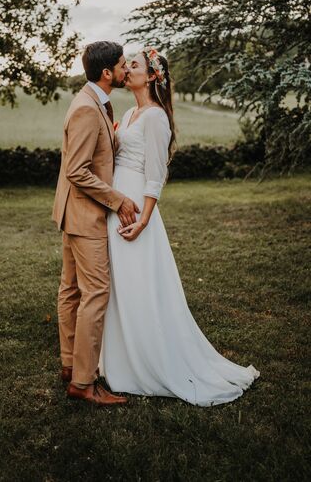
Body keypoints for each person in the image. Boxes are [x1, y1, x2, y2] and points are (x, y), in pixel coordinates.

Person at [99, 48, 260, 406]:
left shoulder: (155, 118)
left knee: (141, 286)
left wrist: (143, 220)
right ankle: (121, 361)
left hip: (137, 211)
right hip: (116, 205)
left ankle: (151, 362)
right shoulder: (127, 114)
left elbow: (157, 175)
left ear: (153, 76)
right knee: (121, 287)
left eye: (135, 65)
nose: (127, 69)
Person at [52, 41, 140, 406]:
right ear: (107, 73)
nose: (124, 70)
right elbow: (77, 170)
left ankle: (71, 365)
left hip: (71, 213)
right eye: (121, 65)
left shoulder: (93, 102)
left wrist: (113, 139)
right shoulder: (88, 109)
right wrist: (118, 200)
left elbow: (92, 154)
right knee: (95, 293)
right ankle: (85, 383)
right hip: (85, 216)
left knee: (71, 289)